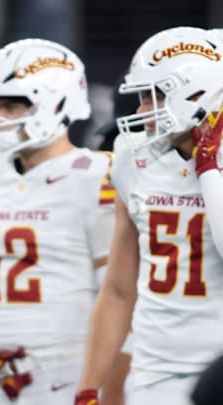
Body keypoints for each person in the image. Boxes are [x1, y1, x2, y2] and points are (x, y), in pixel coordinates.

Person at [0, 38, 122, 405]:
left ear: (56, 101)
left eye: (12, 105)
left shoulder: (97, 174)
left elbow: (117, 293)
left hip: (69, 371)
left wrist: (100, 385)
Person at [75, 26, 223, 405]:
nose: (141, 112)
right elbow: (119, 289)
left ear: (196, 92)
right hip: (152, 370)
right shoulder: (133, 156)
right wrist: (88, 388)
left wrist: (210, 170)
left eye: (152, 97)